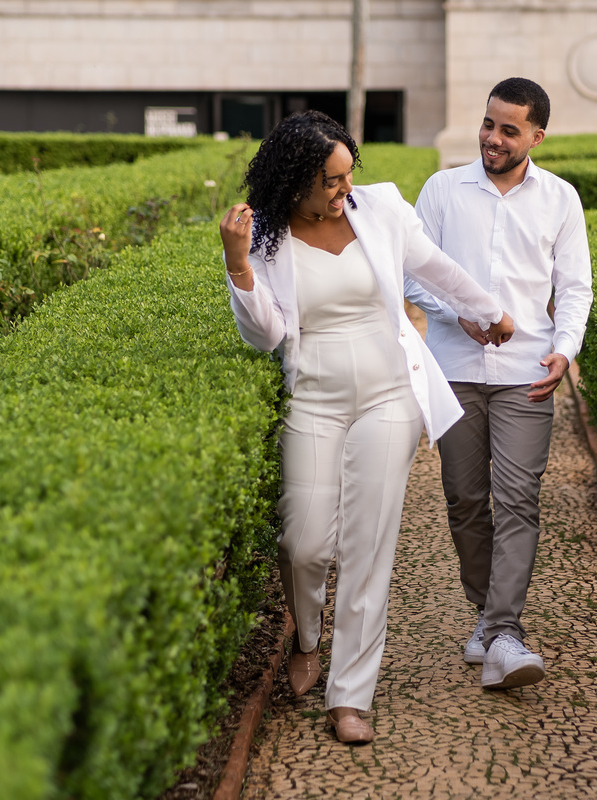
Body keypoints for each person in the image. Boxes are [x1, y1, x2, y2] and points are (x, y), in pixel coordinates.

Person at [220, 110, 514, 743]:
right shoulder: (265, 238)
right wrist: (238, 266)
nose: (344, 189)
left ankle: (350, 695)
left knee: (368, 543)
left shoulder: (378, 209)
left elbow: (435, 268)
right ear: (294, 182)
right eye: (330, 181)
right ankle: (306, 636)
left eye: (347, 174)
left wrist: (489, 311)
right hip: (314, 399)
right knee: (304, 543)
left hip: (389, 395)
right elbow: (265, 335)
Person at [404, 77, 592, 690]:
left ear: (537, 136)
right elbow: (409, 272)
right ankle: (488, 616)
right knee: (463, 499)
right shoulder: (442, 190)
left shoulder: (561, 199)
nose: (493, 138)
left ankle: (505, 631)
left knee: (517, 499)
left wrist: (565, 350)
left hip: (526, 375)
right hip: (455, 371)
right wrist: (457, 312)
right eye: (489, 124)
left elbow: (575, 287)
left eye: (510, 130)